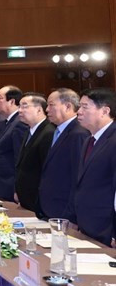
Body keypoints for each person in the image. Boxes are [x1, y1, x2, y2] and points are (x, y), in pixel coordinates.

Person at [67, 88, 116, 246]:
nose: (78, 112)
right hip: (87, 225)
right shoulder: (89, 140)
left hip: (106, 229)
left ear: (104, 111)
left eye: (84, 107)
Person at [38, 89, 88, 220]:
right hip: (51, 207)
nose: (47, 109)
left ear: (68, 106)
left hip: (65, 211)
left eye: (51, 105)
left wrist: (71, 215)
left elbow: (77, 176)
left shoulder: (78, 133)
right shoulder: (58, 130)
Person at [0, 85, 28, 200]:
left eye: (0, 98)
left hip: (8, 186)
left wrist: (17, 189)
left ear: (12, 101)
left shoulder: (19, 124)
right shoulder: (5, 123)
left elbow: (19, 159)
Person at [14, 93, 55, 210]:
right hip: (26, 198)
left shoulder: (49, 132)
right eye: (19, 106)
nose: (20, 110)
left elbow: (46, 170)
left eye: (25, 106)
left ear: (39, 109)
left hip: (38, 200)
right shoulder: (28, 131)